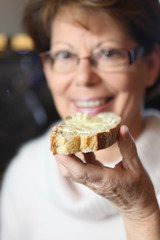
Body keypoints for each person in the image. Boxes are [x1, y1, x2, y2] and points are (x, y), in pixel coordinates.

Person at [1, 0, 160, 239]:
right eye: (65, 55)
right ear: (47, 69)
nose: (84, 78)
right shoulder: (24, 174)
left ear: (150, 65)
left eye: (107, 53)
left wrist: (142, 215)